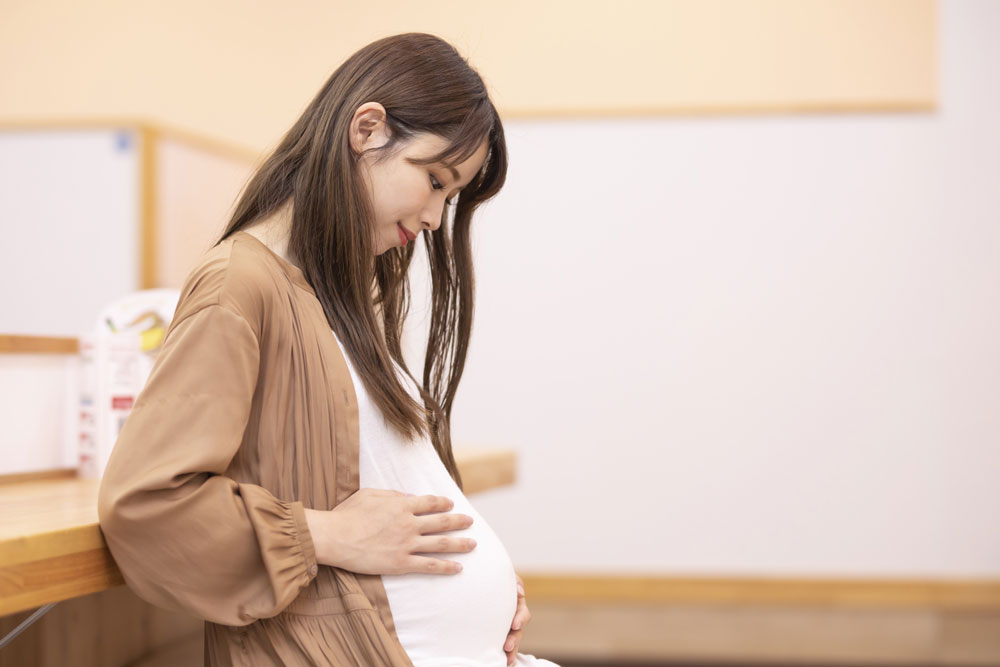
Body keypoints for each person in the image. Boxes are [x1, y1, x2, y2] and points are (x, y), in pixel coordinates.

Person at [97, 33, 559, 666]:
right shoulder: (240, 285)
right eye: (433, 181)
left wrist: (490, 585)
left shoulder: (340, 291)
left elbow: (385, 475)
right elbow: (146, 507)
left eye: (449, 199)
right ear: (366, 129)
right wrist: (327, 534)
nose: (433, 219)